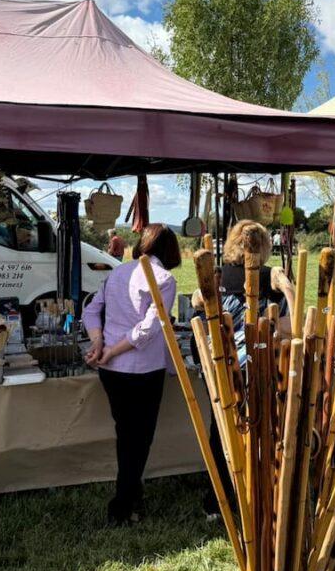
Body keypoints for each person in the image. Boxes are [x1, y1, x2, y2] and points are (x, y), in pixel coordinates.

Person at [83, 223, 181, 527]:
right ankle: (122, 505)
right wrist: (107, 348)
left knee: (128, 435)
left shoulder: (118, 272)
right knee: (137, 439)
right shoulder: (164, 279)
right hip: (141, 370)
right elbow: (148, 329)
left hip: (113, 371)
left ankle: (132, 493)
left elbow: (91, 311)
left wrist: (99, 342)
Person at [200, 220, 287, 518]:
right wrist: (286, 284)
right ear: (264, 247)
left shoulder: (218, 275)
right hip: (255, 365)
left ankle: (217, 501)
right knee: (259, 429)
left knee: (221, 432)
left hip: (221, 364)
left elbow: (202, 312)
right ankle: (252, 494)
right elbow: (288, 322)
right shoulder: (269, 278)